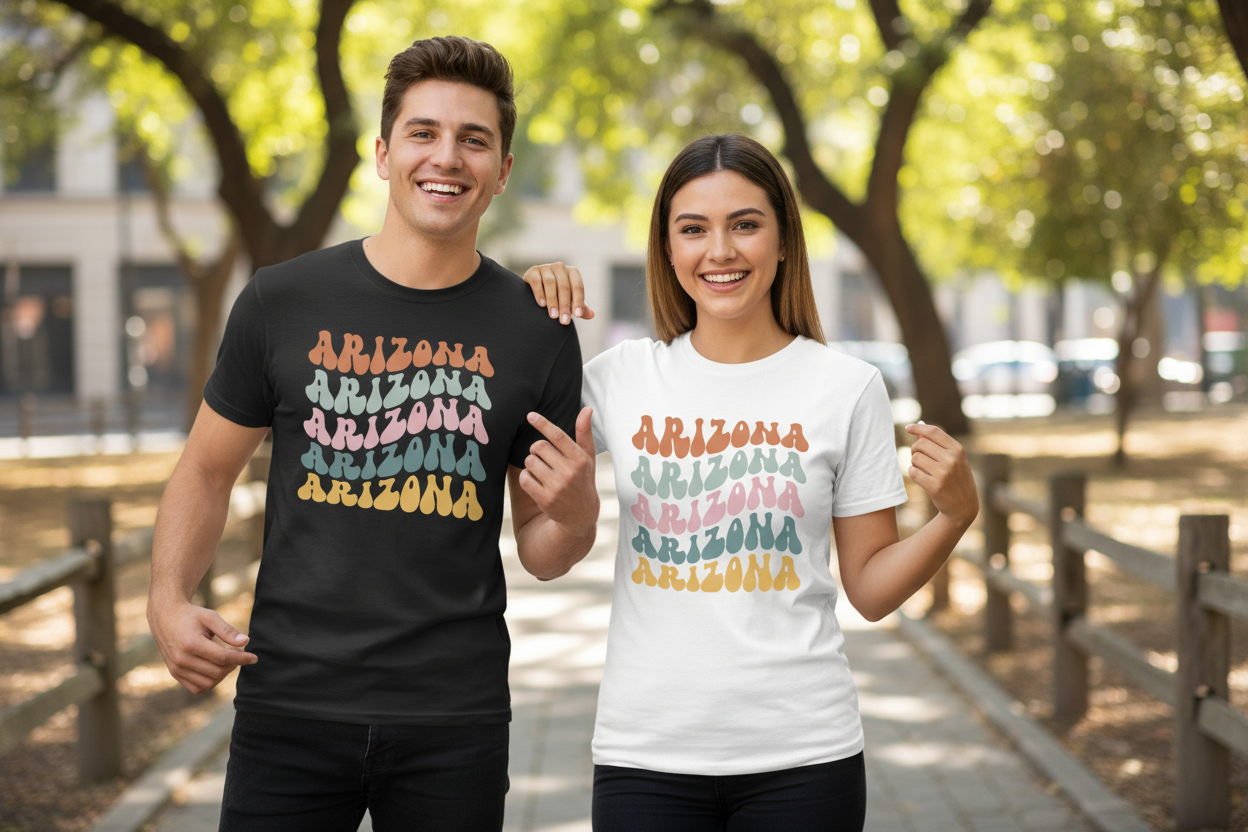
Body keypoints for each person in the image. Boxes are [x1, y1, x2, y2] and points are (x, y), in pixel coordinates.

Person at [146, 36, 599, 832]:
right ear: (384, 154)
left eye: (474, 139)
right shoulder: (280, 301)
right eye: (424, 133)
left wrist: (579, 511)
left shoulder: (538, 328)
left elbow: (542, 550)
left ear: (502, 170)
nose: (447, 157)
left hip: (453, 721)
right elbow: (207, 469)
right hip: (288, 704)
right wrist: (166, 600)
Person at [522, 133, 978, 830]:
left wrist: (951, 518)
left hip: (804, 757)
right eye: (694, 228)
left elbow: (870, 589)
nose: (721, 250)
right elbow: (543, 558)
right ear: (668, 249)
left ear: (784, 239)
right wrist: (524, 295)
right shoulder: (619, 380)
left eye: (745, 224)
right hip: (645, 757)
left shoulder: (847, 388)